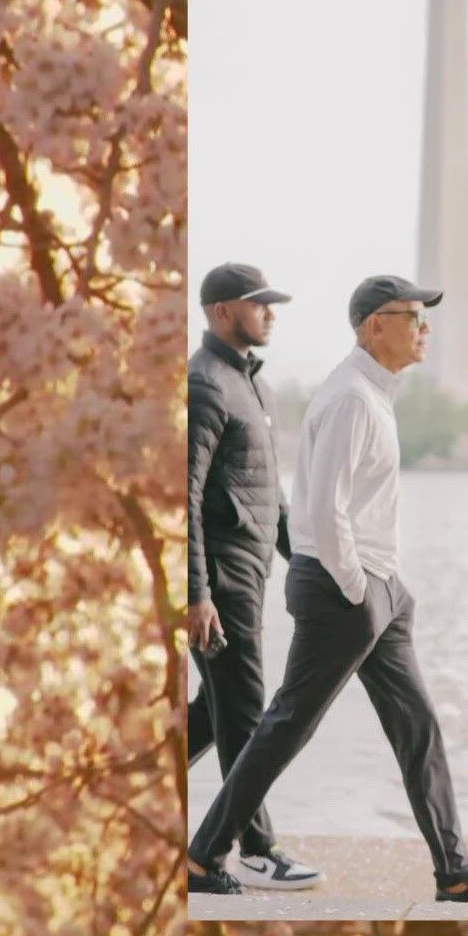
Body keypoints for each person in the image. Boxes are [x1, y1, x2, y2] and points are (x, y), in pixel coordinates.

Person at [186, 274, 468, 902]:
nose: (425, 327)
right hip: (347, 589)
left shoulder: (373, 394)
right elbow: (324, 508)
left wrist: (383, 586)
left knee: (418, 727)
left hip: (378, 586)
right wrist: (355, 586)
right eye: (413, 316)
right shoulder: (351, 396)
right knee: (289, 722)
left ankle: (453, 870)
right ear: (376, 324)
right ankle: (205, 854)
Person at [185, 262, 323, 889]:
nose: (270, 312)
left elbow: (272, 498)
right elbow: (181, 496)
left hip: (251, 571)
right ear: (221, 312)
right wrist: (197, 595)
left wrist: (312, 561)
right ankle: (256, 846)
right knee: (243, 712)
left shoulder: (255, 387)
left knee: (214, 715)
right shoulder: (204, 384)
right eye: (257, 303)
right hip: (220, 578)